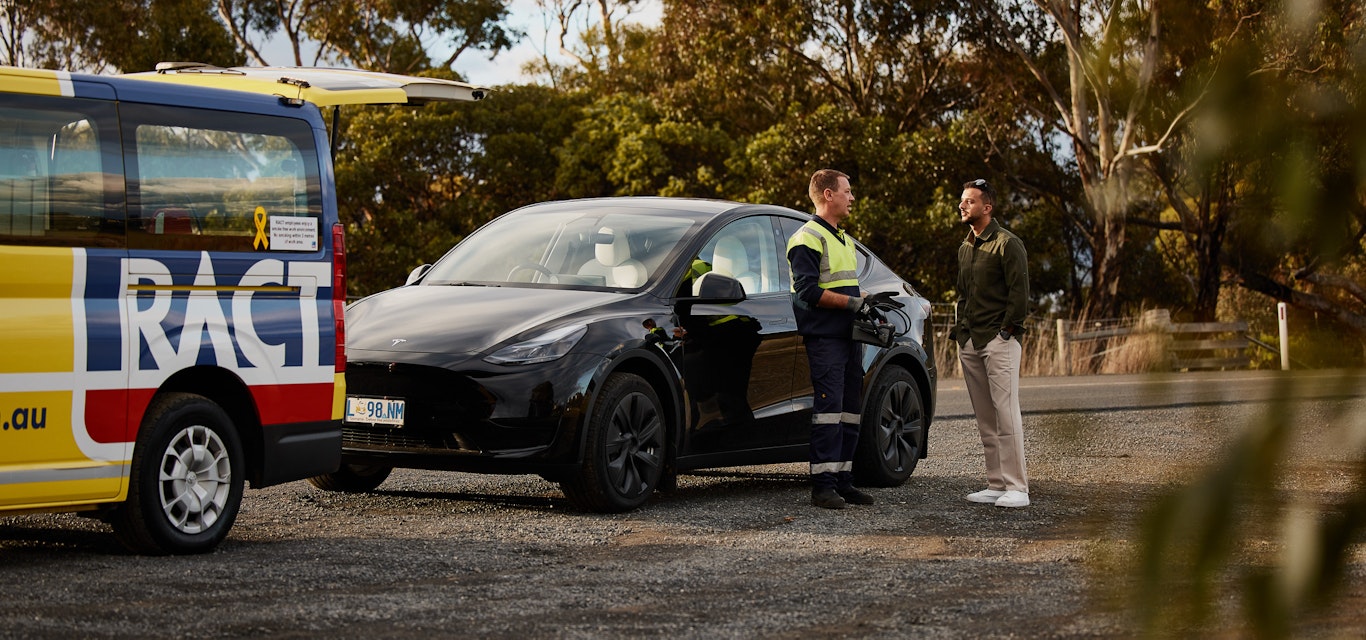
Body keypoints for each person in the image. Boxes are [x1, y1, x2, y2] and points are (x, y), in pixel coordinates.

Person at [786, 169, 875, 509]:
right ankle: (822, 487)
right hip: (825, 340)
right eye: (847, 191)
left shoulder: (844, 239)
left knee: (850, 411)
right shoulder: (806, 238)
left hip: (849, 336)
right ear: (828, 195)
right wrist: (853, 302)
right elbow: (807, 291)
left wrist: (865, 300)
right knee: (828, 411)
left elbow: (841, 287)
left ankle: (843, 481)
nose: (851, 197)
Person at [952, 178, 1031, 508]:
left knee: (1005, 413)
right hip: (970, 341)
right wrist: (960, 333)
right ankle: (997, 484)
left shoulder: (1007, 244)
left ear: (987, 207)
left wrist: (1006, 332)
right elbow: (962, 294)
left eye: (969, 201)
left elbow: (1020, 294)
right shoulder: (965, 248)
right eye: (962, 201)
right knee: (986, 416)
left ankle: (1017, 488)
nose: (962, 206)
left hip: (999, 340)